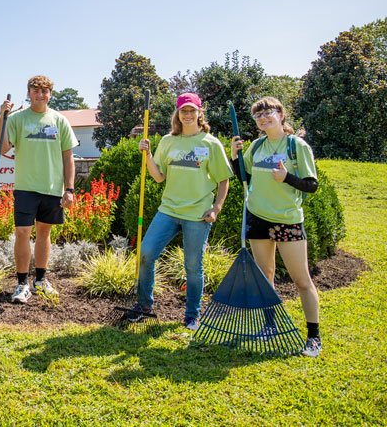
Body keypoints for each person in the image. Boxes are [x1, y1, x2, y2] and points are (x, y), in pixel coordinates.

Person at [127, 93, 232, 330]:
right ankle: (144, 306)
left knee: (193, 266)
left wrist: (216, 208)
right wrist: (148, 155)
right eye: (183, 111)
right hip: (169, 210)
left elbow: (223, 179)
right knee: (146, 253)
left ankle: (192, 314)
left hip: (197, 214)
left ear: (199, 113)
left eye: (191, 111)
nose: (187, 115)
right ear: (177, 114)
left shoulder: (210, 143)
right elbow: (158, 176)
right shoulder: (168, 141)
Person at [230, 96, 321, 357]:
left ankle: (313, 337)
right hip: (258, 217)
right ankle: (270, 325)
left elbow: (311, 184)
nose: (263, 118)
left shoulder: (296, 146)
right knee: (266, 275)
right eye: (258, 115)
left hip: (287, 219)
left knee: (301, 280)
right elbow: (242, 177)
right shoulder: (257, 147)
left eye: (268, 112)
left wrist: (286, 177)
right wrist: (235, 156)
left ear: (281, 115)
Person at [0, 75, 78, 304]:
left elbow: (68, 157)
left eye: (44, 91)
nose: (40, 95)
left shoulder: (59, 120)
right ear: (29, 93)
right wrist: (3, 118)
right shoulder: (17, 119)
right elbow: (2, 148)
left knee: (44, 234)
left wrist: (69, 189)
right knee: (22, 233)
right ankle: (22, 284)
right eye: (35, 91)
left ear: (50, 94)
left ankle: (40, 281)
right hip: (26, 187)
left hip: (52, 188)